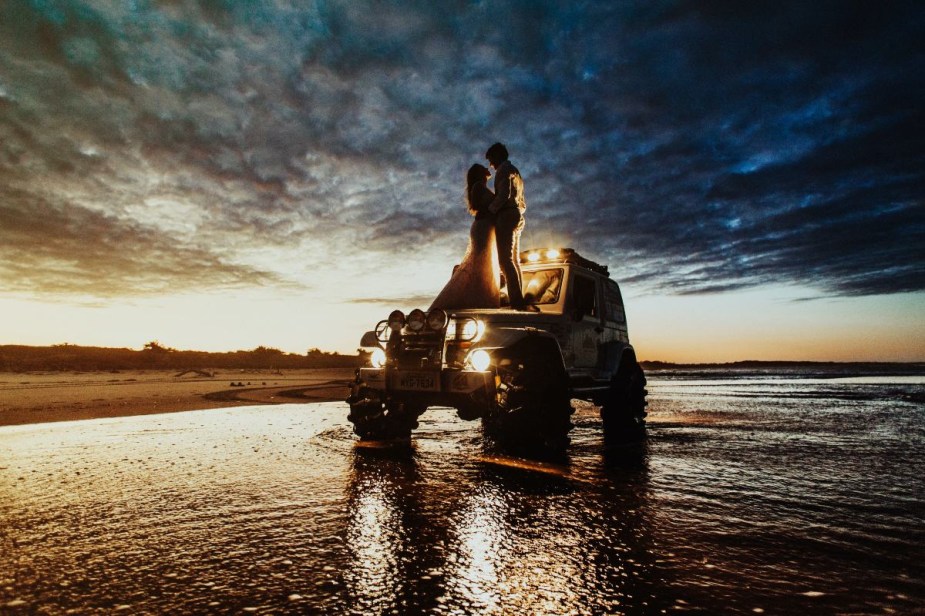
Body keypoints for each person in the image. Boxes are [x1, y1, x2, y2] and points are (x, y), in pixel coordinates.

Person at [429, 164, 501, 310]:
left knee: (485, 262)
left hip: (486, 226)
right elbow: (482, 206)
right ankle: (479, 299)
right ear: (479, 173)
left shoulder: (480, 186)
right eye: (484, 167)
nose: (488, 168)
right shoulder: (478, 187)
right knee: (481, 261)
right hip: (483, 227)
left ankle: (480, 297)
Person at [485, 142, 528, 309]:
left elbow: (503, 194)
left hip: (506, 214)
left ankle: (517, 302)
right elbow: (521, 201)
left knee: (505, 260)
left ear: (498, 156)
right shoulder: (515, 170)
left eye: (491, 159)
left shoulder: (503, 170)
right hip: (517, 214)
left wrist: (491, 210)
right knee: (514, 260)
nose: (491, 165)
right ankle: (519, 298)